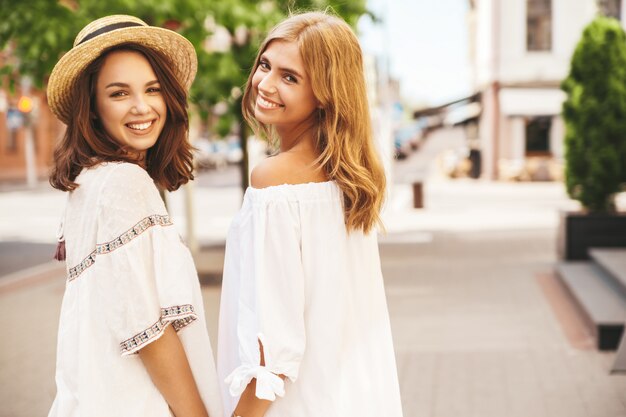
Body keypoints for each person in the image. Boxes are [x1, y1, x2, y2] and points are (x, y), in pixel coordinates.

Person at [217, 11, 404, 417]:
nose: (265, 84)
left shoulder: (275, 182)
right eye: (265, 65)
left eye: (290, 77)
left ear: (325, 93)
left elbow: (273, 356)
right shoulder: (353, 183)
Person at [46, 15, 222, 417]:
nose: (142, 107)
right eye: (119, 93)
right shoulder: (124, 183)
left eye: (153, 89)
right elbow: (147, 330)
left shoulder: (88, 183)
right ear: (90, 108)